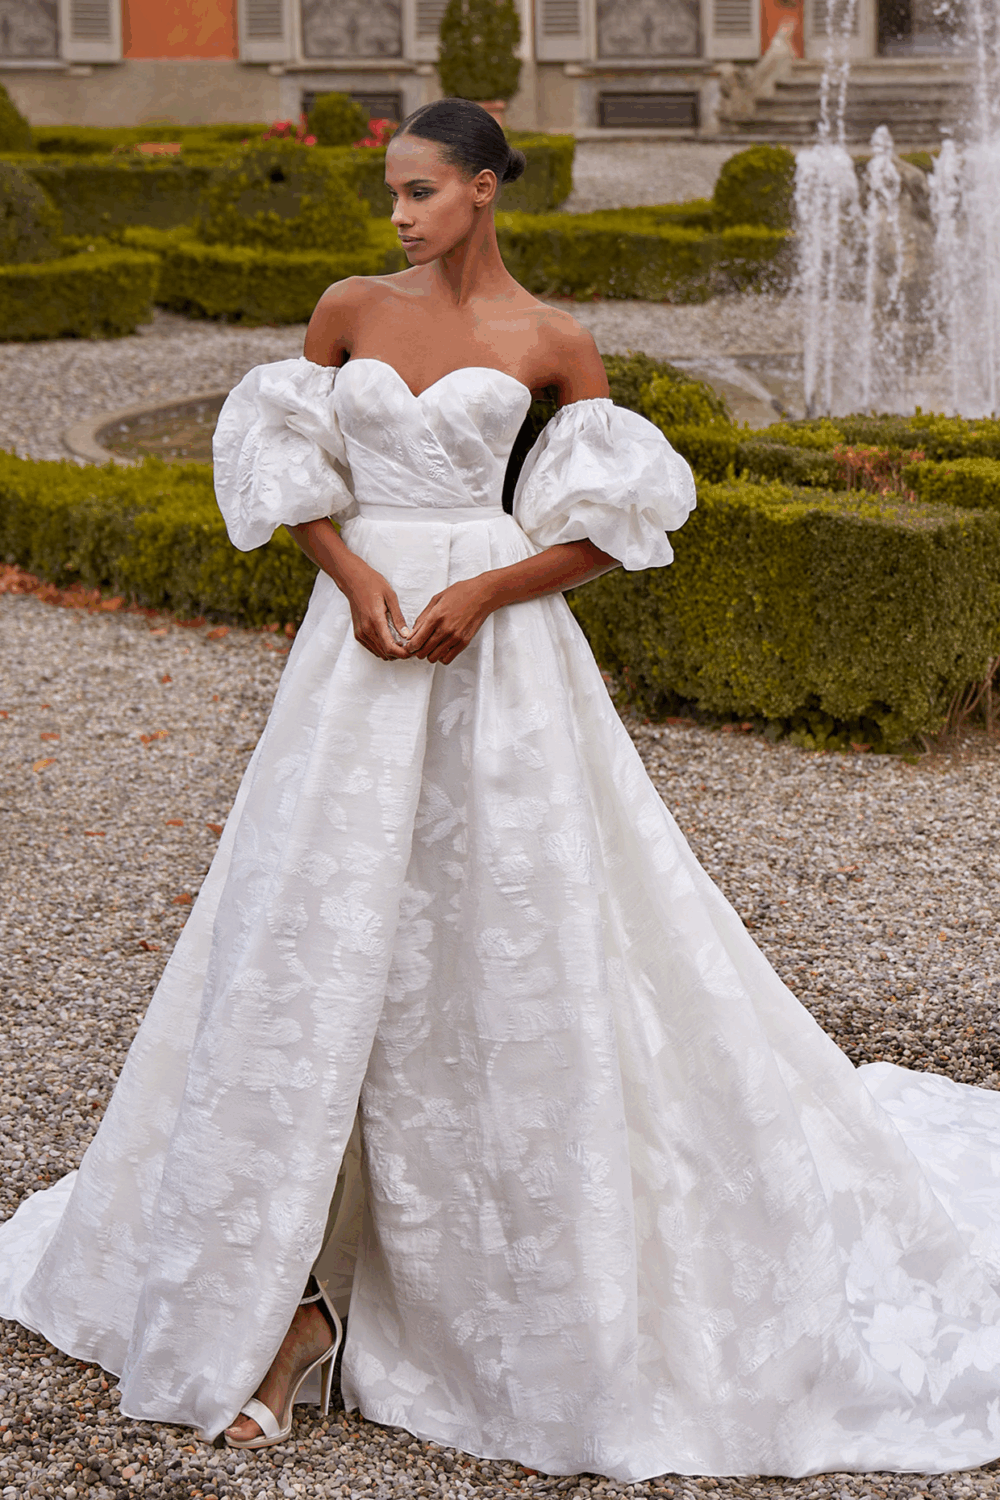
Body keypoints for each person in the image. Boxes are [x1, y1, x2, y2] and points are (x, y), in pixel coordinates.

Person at [2, 97, 1000, 1483]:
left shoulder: (552, 340)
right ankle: (279, 1294)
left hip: (497, 655)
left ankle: (497, 1286)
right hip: (353, 657)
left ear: (483, 190)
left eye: (422, 190)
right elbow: (294, 465)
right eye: (392, 193)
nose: (401, 214)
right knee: (308, 927)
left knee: (505, 932)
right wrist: (355, 578)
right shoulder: (347, 306)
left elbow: (610, 522)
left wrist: (483, 585)